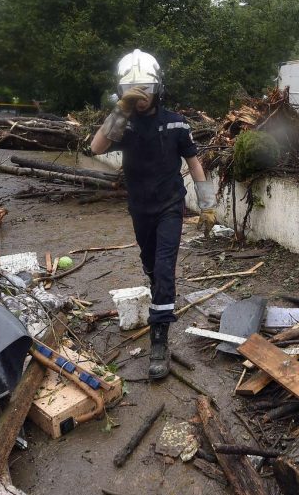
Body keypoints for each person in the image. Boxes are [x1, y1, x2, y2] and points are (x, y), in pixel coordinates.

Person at [90, 49, 217, 379]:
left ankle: (159, 338)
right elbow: (96, 148)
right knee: (150, 263)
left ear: (157, 88)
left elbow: (194, 162)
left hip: (170, 206)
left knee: (163, 268)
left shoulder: (176, 122)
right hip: (140, 207)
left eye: (145, 90)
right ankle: (160, 291)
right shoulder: (123, 125)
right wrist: (120, 110)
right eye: (132, 92)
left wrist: (207, 205)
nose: (140, 97)